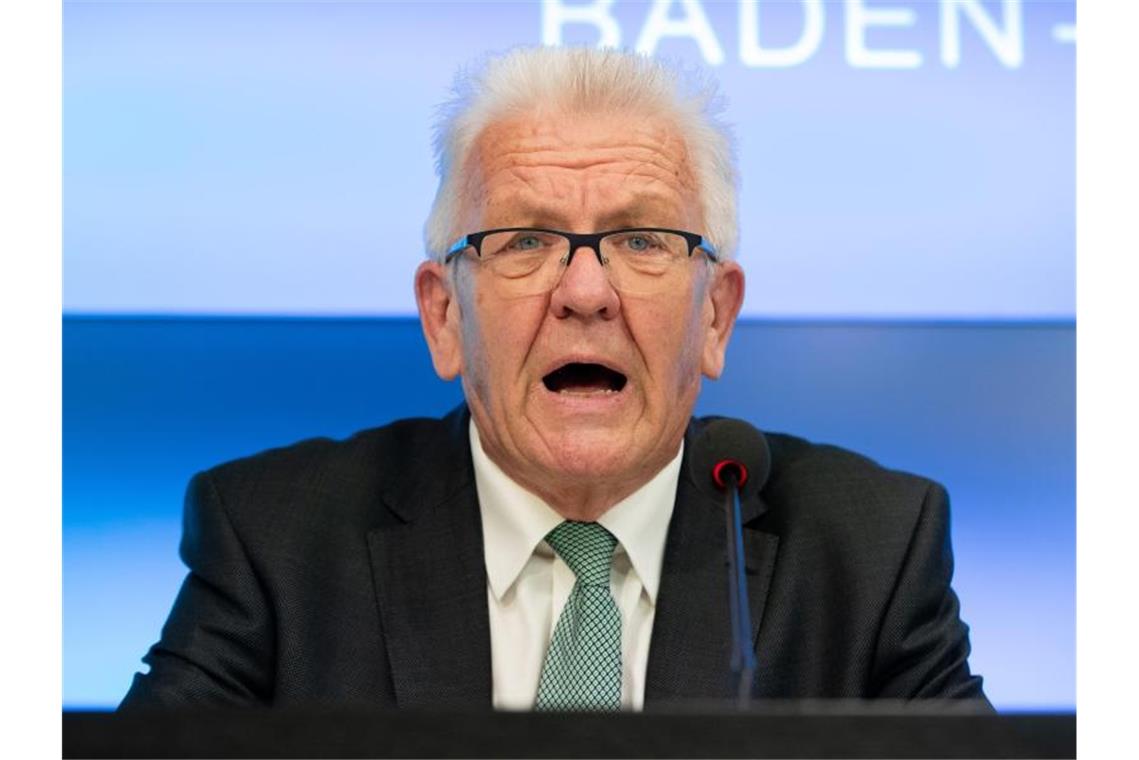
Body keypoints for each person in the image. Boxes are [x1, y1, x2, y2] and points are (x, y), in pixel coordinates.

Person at [120, 46, 987, 711]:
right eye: (525, 240)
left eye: (643, 240)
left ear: (716, 316)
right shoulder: (277, 543)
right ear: (445, 316)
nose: (584, 292)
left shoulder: (870, 553)